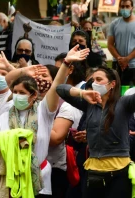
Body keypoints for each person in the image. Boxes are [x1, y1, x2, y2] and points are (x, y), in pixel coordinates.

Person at [0, 45, 90, 196]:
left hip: (39, 180)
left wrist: (66, 63)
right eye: (15, 92)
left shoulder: (43, 111)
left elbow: (56, 86)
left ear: (33, 95)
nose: (17, 95)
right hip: (9, 179)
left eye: (22, 93)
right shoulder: (6, 112)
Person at [56, 66, 132, 198]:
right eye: (93, 80)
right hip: (93, 171)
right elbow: (60, 89)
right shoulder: (89, 103)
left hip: (119, 170)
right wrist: (82, 93)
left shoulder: (124, 103)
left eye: (99, 79)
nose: (95, 83)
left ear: (112, 84)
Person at [48, 61, 86, 198]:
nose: (39, 83)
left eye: (45, 79)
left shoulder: (67, 105)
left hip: (55, 167)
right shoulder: (33, 102)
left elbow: (55, 138)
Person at [108, 0, 135, 85]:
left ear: (132, 8)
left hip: (133, 65)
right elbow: (110, 45)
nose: (124, 9)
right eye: (122, 6)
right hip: (117, 64)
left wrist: (127, 59)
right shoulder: (114, 24)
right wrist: (120, 59)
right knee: (117, 91)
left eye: (127, 6)